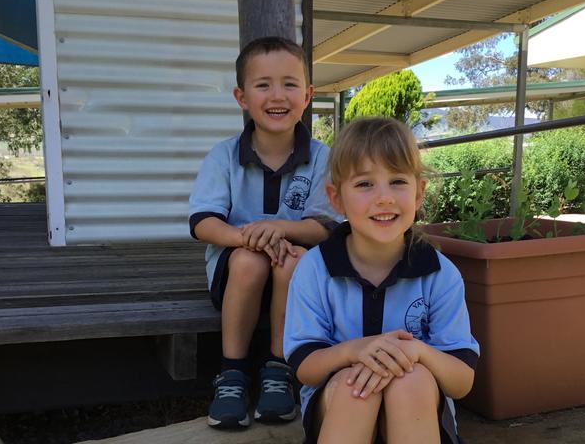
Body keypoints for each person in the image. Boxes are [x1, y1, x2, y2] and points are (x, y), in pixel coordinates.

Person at [284, 118, 480, 444]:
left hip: (416, 416)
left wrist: (415, 352)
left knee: (411, 379)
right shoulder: (314, 269)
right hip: (339, 412)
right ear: (336, 198)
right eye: (364, 184)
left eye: (398, 181)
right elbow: (305, 366)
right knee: (355, 387)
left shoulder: (440, 273)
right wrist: (354, 351)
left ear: (419, 193)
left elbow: (462, 381)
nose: (384, 198)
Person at [189, 36, 340, 429]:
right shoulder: (223, 156)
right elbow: (203, 223)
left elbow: (325, 228)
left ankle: (278, 370)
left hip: (296, 275)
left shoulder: (323, 157)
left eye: (290, 84)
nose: (278, 95)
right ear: (242, 97)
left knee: (294, 259)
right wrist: (248, 238)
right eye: (263, 85)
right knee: (249, 261)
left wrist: (278, 228)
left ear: (307, 95)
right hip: (238, 270)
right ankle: (232, 374)